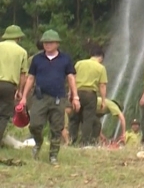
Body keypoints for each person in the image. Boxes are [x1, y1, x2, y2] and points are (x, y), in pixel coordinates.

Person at [18, 29, 79, 164]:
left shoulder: (65, 59)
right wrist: (23, 96)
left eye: (51, 42)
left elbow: (71, 77)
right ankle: (38, 142)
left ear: (57, 43)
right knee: (34, 124)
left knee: (57, 127)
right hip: (40, 97)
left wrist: (75, 96)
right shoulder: (37, 59)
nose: (48, 45)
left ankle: (53, 155)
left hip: (58, 97)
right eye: (45, 43)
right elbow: (30, 78)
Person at [69, 45, 108, 145]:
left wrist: (71, 93)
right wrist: (103, 100)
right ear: (101, 57)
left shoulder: (79, 63)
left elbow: (72, 78)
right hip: (90, 94)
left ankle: (72, 140)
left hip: (77, 93)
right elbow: (102, 85)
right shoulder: (101, 67)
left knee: (74, 118)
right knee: (88, 119)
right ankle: (84, 142)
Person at [0, 24, 29, 145]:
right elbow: (23, 74)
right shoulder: (22, 52)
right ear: (18, 38)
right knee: (3, 115)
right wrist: (19, 91)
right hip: (8, 86)